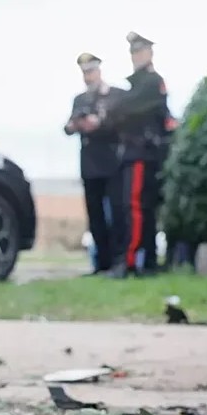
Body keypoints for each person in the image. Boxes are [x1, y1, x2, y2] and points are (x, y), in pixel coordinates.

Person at [88, 32, 172, 278]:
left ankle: (131, 261)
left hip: (142, 153)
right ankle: (147, 262)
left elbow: (128, 108)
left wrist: (113, 110)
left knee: (134, 207)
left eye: (139, 51)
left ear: (149, 53)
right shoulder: (137, 85)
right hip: (139, 153)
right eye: (133, 52)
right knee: (142, 208)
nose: (135, 56)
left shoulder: (151, 82)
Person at [64, 53, 125, 275]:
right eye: (84, 73)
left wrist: (99, 124)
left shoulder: (115, 95)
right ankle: (102, 263)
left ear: (98, 71)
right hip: (89, 165)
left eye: (90, 72)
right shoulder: (80, 100)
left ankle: (119, 260)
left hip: (111, 163)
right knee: (95, 216)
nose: (87, 77)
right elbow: (68, 126)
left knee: (116, 214)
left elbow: (120, 124)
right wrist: (75, 125)